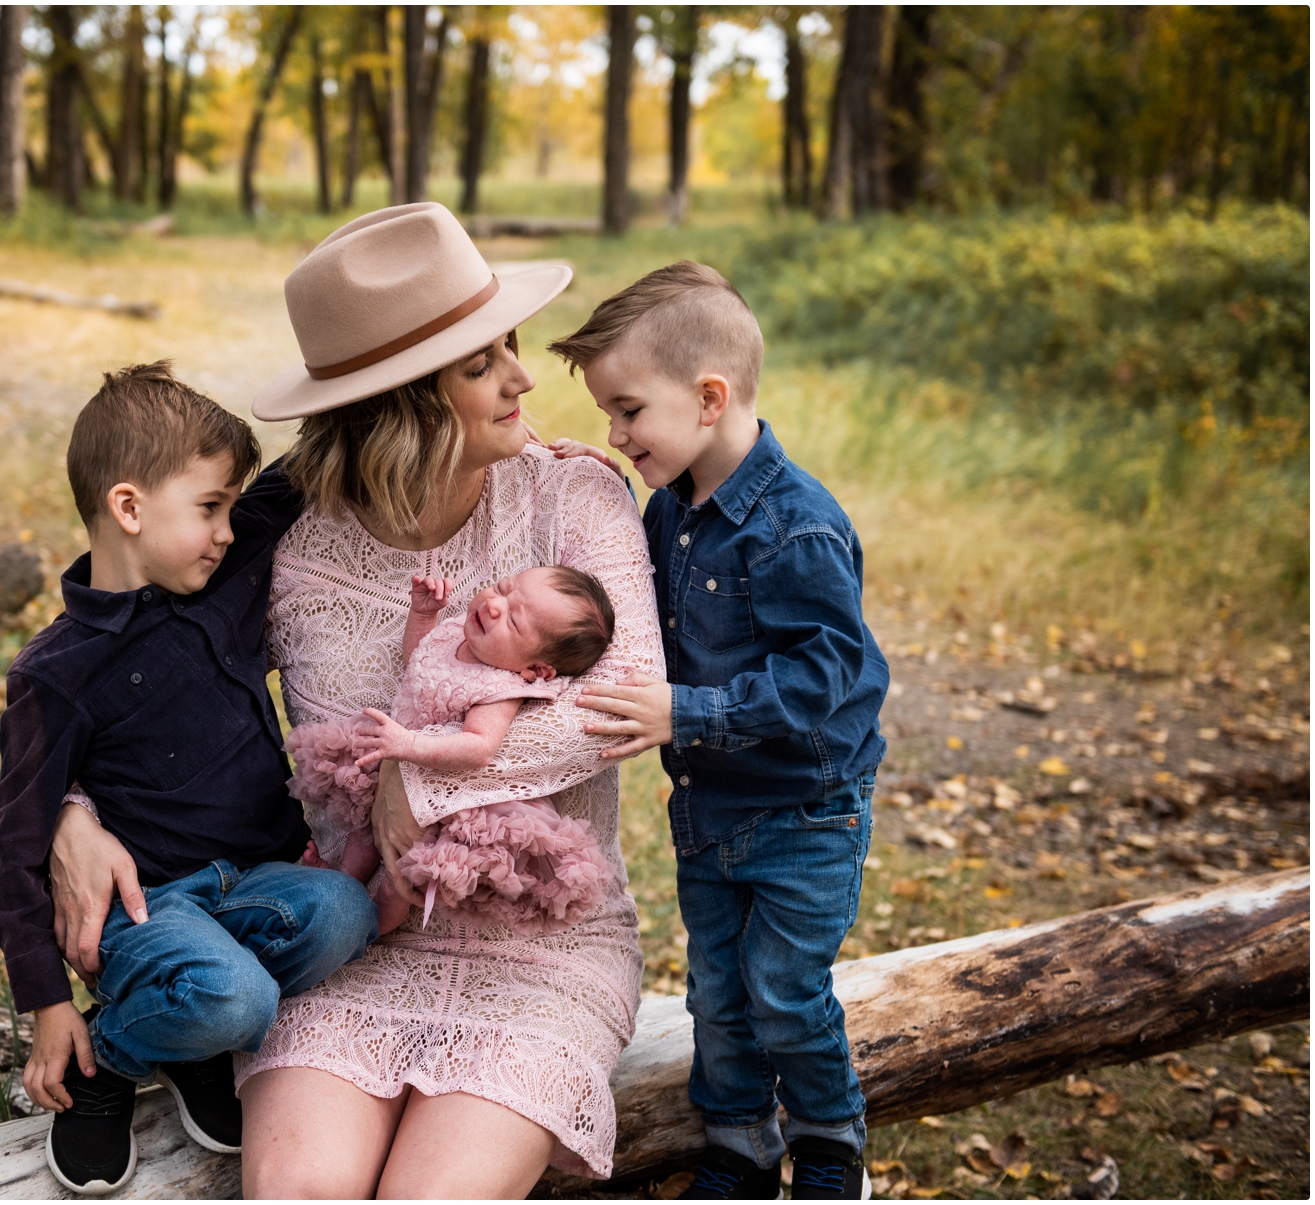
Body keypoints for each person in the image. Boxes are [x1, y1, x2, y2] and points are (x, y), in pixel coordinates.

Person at [47, 203, 665, 1196]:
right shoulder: (289, 555)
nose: (522, 377)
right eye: (482, 363)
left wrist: (409, 780)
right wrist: (70, 807)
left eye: (506, 345)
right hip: (349, 940)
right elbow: (120, 654)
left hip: (545, 951)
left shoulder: (571, 499)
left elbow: (626, 692)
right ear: (402, 404)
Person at [0, 363, 379, 1195]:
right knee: (238, 1002)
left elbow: (298, 472)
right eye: (209, 508)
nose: (230, 529)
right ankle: (110, 1057)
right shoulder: (55, 674)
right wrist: (49, 1005)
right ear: (128, 508)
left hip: (254, 885)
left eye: (230, 507)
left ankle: (185, 1027)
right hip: (147, 904)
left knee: (346, 912)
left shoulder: (220, 578)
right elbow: (15, 845)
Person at [548, 261, 889, 1200]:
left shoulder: (796, 529)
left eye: (626, 413)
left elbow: (826, 677)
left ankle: (830, 1143)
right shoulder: (670, 512)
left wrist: (685, 711)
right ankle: (739, 1147)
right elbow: (634, 604)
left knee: (784, 991)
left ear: (709, 397)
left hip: (803, 813)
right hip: (710, 812)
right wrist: (592, 487)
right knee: (720, 996)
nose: (615, 434)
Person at [290, 567, 619, 937]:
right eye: (502, 588)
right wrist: (423, 615)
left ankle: (373, 926)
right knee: (369, 829)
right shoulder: (453, 635)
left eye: (512, 619)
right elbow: (419, 660)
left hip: (446, 803)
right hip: (398, 756)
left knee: (405, 870)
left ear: (535, 669)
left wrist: (409, 745)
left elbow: (478, 748)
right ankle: (342, 885)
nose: (494, 605)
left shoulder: (501, 687)